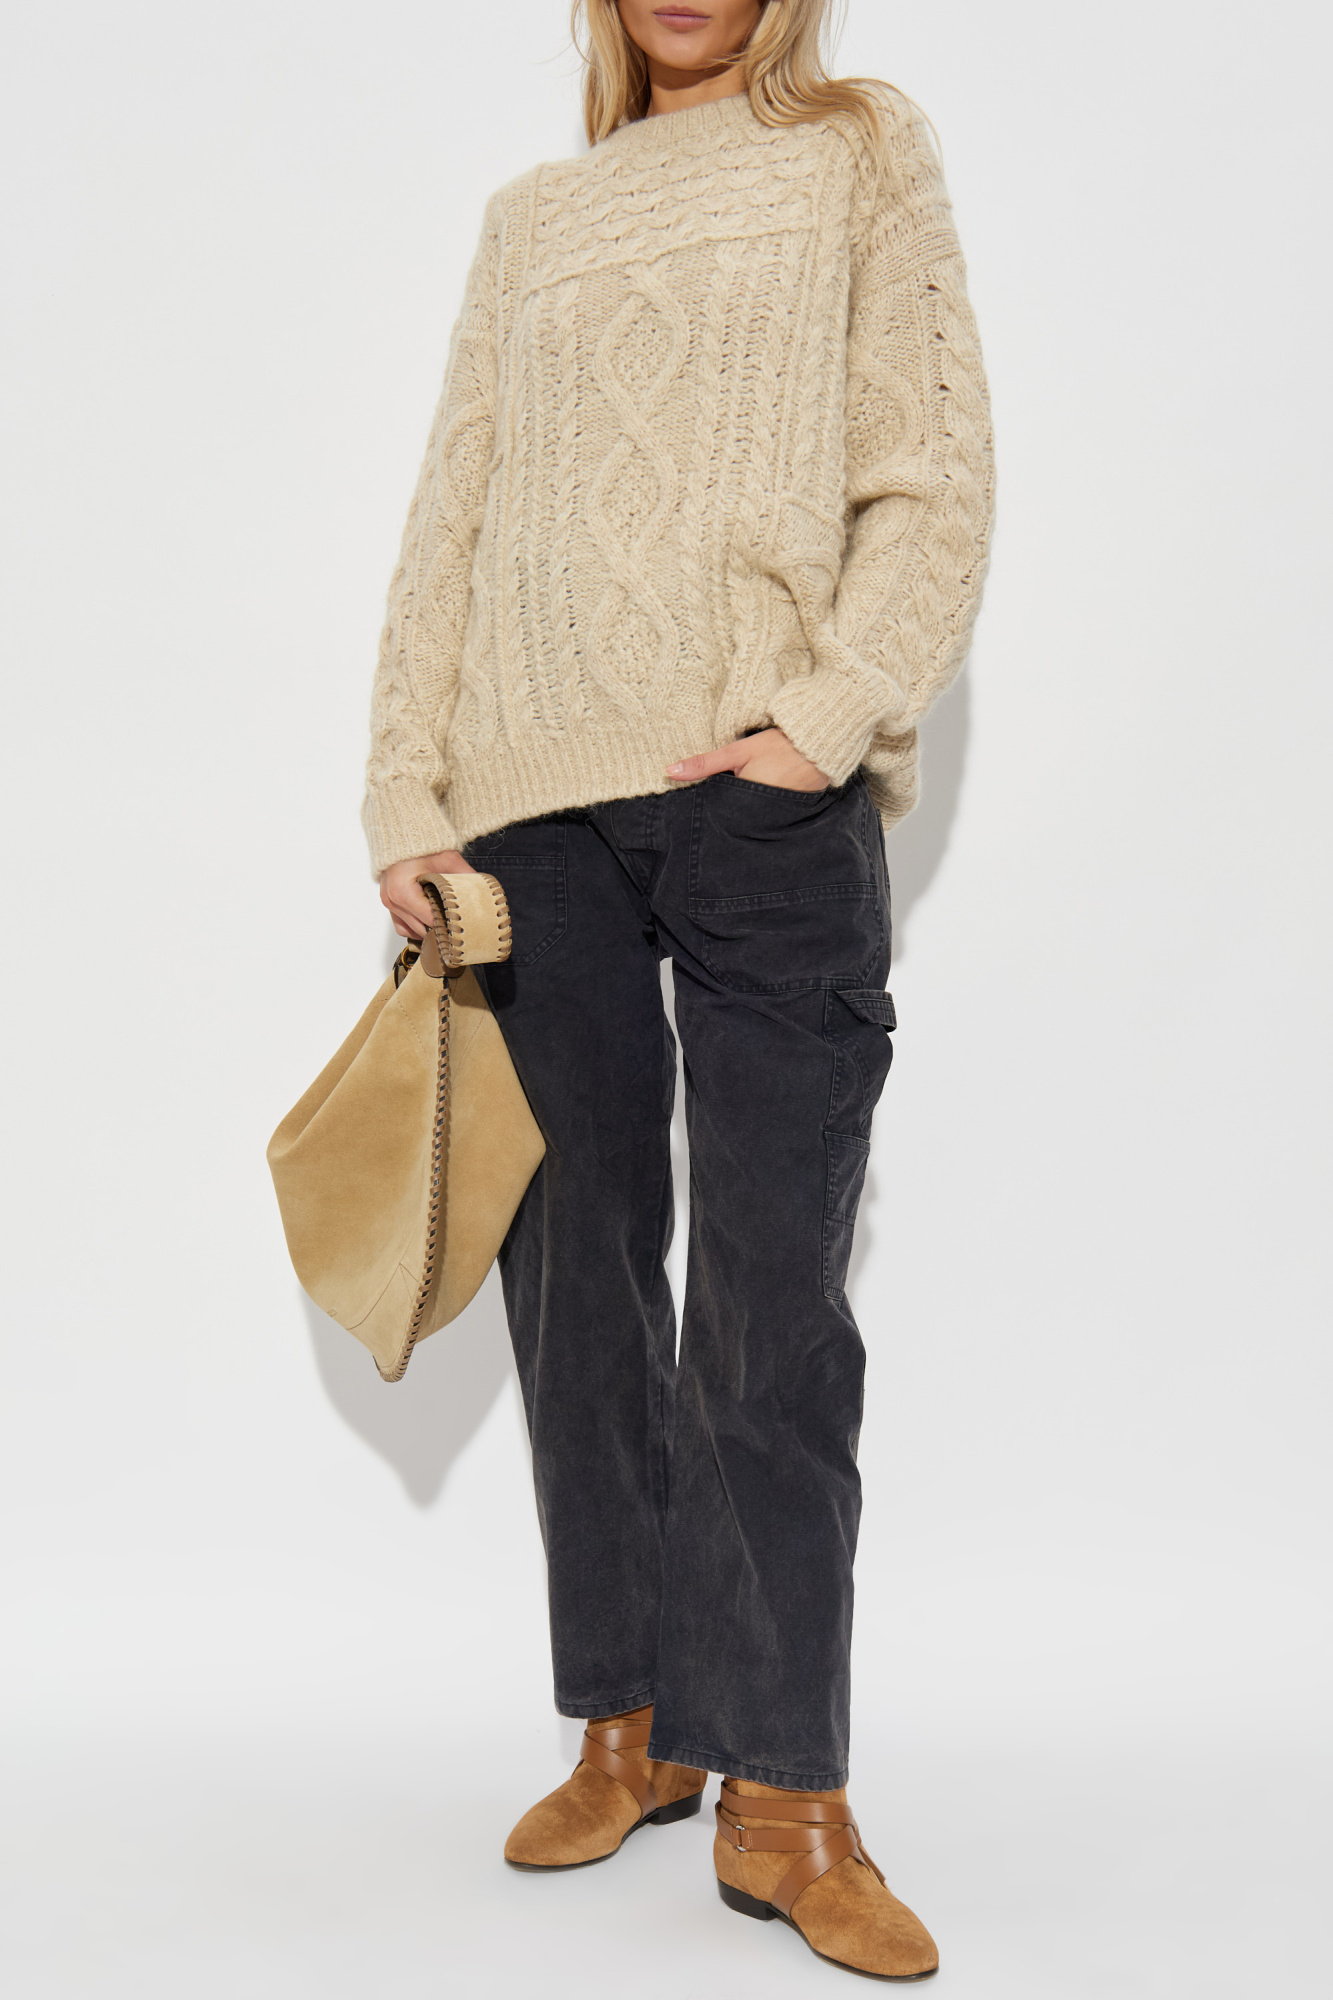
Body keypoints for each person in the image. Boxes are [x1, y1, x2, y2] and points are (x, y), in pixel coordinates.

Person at [363, 0, 993, 1978]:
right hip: (527, 815)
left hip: (759, 797)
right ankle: (628, 1725)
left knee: (769, 1293)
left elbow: (933, 469)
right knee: (576, 1283)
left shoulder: (858, 147)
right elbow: (454, 510)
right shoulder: (532, 219)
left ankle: (785, 1794)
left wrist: (830, 709)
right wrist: (407, 789)